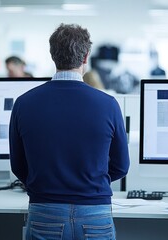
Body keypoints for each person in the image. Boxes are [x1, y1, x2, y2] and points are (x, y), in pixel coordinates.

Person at [9, 23, 130, 240]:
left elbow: (18, 165)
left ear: (52, 55)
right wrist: (91, 182)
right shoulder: (108, 104)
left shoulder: (24, 103)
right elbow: (121, 166)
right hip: (95, 212)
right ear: (86, 58)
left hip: (44, 211)